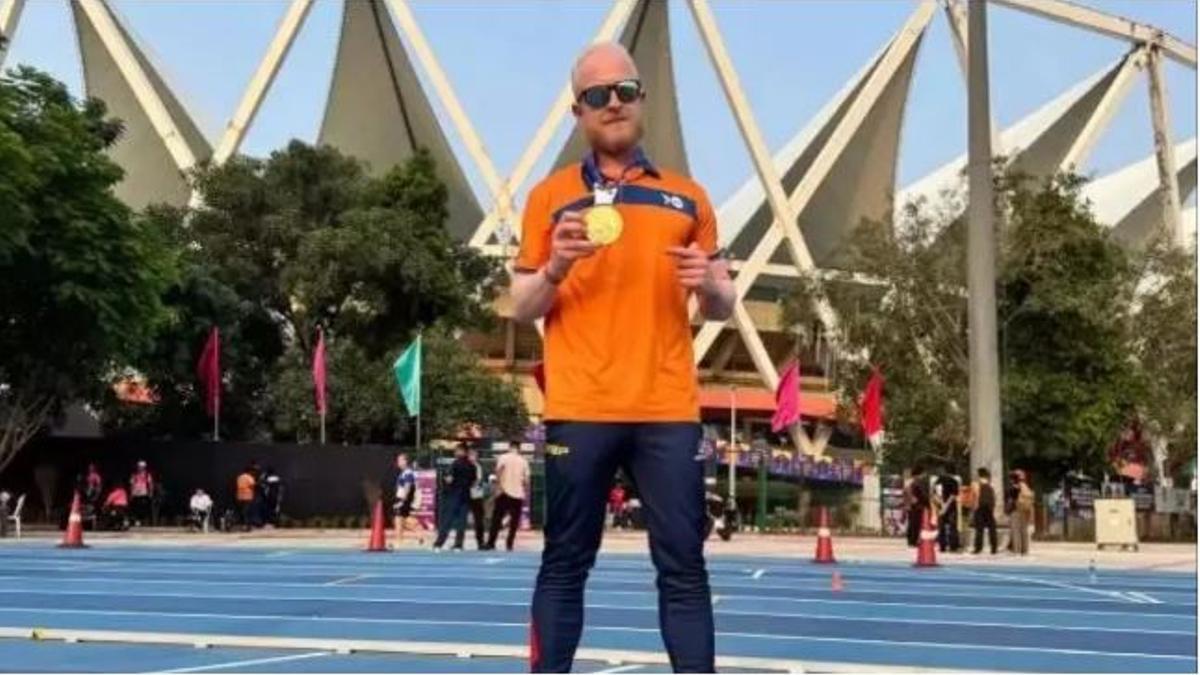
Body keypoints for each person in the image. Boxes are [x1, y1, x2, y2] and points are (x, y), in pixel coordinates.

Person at [509, 42, 734, 673]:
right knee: (564, 563)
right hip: (580, 407)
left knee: (684, 566)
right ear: (576, 111)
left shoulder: (689, 198)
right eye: (597, 95)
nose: (613, 105)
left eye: (625, 91)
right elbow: (522, 305)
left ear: (642, 99)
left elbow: (721, 302)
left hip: (667, 409)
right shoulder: (547, 198)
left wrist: (712, 286)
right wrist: (555, 265)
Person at [487, 444, 531, 551]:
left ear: (510, 447)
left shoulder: (503, 458)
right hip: (517, 493)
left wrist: (498, 486)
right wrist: (525, 491)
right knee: (514, 521)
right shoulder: (523, 461)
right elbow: (527, 479)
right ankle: (509, 543)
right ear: (519, 449)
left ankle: (491, 543)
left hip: (504, 491)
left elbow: (498, 471)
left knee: (496, 519)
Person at [433, 446, 474, 551]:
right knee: (462, 521)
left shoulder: (455, 464)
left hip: (454, 494)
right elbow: (473, 481)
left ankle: (439, 543)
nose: (455, 452)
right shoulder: (471, 465)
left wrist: (445, 478)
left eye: (456, 451)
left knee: (447, 520)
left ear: (461, 452)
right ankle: (458, 544)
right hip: (466, 495)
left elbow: (450, 479)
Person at [389, 453, 421, 547]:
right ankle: (419, 533)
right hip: (402, 498)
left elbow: (408, 486)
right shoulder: (404, 472)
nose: (398, 462)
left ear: (406, 461)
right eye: (398, 460)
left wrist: (402, 501)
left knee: (398, 519)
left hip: (403, 498)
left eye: (400, 460)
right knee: (402, 519)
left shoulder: (408, 473)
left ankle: (398, 542)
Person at [972, 468, 998, 555]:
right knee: (992, 528)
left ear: (979, 475)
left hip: (980, 507)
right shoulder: (990, 484)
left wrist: (975, 506)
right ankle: (994, 547)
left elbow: (976, 495)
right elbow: (993, 497)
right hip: (989, 508)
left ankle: (978, 548)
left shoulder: (976, 484)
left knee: (979, 528)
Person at [467, 448, 488, 550]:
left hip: (476, 495)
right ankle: (458, 542)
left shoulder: (478, 467)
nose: (472, 457)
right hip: (465, 495)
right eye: (470, 455)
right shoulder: (465, 466)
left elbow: (478, 481)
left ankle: (480, 542)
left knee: (479, 519)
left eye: (474, 455)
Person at [1011, 470, 1035, 556]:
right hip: (1025, 510)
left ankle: (1017, 550)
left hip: (1016, 509)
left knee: (1016, 530)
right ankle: (1025, 550)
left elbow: (1012, 498)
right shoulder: (1026, 486)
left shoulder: (1014, 487)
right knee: (1024, 530)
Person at [936, 474, 960, 553]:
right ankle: (953, 546)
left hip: (941, 506)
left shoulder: (938, 480)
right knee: (952, 526)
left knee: (941, 526)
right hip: (951, 507)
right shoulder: (954, 481)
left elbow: (937, 494)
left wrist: (942, 505)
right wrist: (946, 506)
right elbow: (953, 495)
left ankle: (942, 546)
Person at [906, 467, 928, 547]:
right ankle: (913, 541)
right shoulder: (916, 482)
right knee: (915, 523)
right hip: (917, 505)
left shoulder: (909, 482)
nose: (924, 476)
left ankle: (911, 540)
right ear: (919, 474)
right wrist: (927, 503)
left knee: (911, 523)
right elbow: (921, 495)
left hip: (911, 505)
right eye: (923, 474)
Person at [129, 461, 154, 527]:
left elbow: (150, 484)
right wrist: (131, 493)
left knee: (143, 508)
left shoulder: (147, 475)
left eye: (142, 467)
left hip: (144, 493)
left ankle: (143, 520)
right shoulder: (134, 474)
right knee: (136, 508)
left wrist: (151, 492)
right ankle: (137, 521)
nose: (140, 468)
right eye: (139, 467)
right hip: (136, 493)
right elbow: (132, 484)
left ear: (144, 467)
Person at [235, 465, 256, 532]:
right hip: (247, 496)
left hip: (240, 495)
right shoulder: (249, 477)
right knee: (247, 512)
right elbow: (252, 485)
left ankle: (242, 525)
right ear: (249, 471)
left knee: (242, 511)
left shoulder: (240, 477)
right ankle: (247, 526)